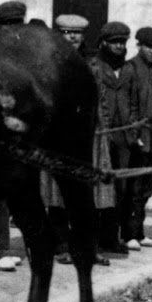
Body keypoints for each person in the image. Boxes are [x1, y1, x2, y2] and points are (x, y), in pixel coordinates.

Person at [45, 14, 115, 266]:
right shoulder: (50, 60)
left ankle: (88, 246)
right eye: (66, 33)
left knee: (90, 195)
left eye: (76, 33)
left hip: (91, 136)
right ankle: (61, 245)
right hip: (61, 135)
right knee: (58, 194)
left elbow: (102, 100)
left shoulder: (94, 63)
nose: (72, 37)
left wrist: (104, 131)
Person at [117, 27, 152, 251]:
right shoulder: (130, 68)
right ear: (139, 46)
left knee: (147, 187)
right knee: (133, 188)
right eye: (149, 47)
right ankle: (128, 235)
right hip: (136, 138)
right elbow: (125, 105)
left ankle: (139, 232)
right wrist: (132, 134)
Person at [91, 21, 132, 255]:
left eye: (123, 43)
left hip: (124, 137)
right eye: (115, 42)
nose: (119, 47)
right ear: (103, 43)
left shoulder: (128, 69)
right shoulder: (94, 67)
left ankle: (111, 238)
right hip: (102, 136)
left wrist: (133, 132)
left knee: (121, 190)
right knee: (100, 189)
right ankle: (96, 240)